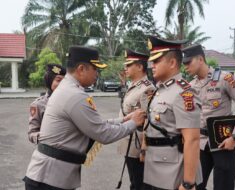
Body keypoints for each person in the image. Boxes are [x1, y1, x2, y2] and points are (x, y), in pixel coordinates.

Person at [23, 46, 146, 190]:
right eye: (95, 69)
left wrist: (123, 120)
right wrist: (133, 123)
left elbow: (93, 124)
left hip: (48, 176)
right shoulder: (75, 95)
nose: (97, 74)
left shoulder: (67, 89)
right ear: (81, 69)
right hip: (49, 180)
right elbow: (103, 134)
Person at [182, 44, 235, 190]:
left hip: (223, 142)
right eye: (184, 63)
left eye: (188, 62)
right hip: (199, 144)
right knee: (196, 185)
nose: (186, 66)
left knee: (223, 185)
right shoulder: (190, 86)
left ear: (200, 59)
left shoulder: (225, 78)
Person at [143, 36, 202, 190]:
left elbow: (192, 140)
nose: (152, 65)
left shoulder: (183, 93)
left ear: (172, 63)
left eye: (156, 61)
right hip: (156, 167)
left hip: (173, 173)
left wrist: (188, 183)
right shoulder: (161, 90)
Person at [117, 49, 155, 190]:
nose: (125, 68)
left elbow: (149, 121)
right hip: (129, 143)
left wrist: (145, 148)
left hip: (138, 146)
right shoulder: (133, 86)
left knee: (140, 184)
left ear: (139, 67)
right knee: (135, 181)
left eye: (128, 65)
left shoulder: (147, 88)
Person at [28, 64, 66, 144]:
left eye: (64, 81)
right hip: (49, 151)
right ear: (49, 81)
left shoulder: (70, 101)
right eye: (58, 80)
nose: (62, 84)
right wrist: (45, 137)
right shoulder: (38, 104)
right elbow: (32, 133)